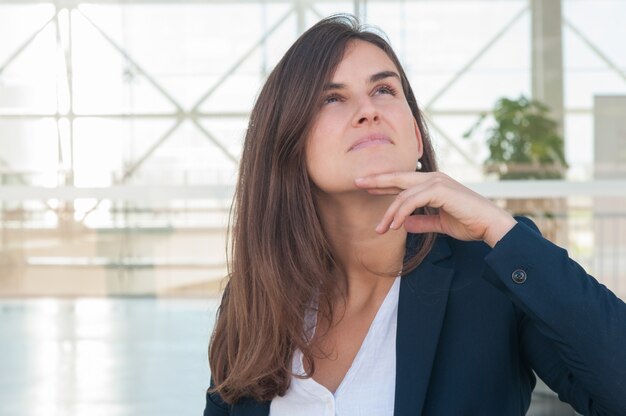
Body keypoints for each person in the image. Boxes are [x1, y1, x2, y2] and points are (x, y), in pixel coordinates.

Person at [204, 14, 626, 416]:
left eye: (384, 90)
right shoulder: (256, 298)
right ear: (288, 144)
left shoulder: (490, 274)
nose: (368, 110)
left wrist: (500, 230)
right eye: (332, 98)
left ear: (417, 138)